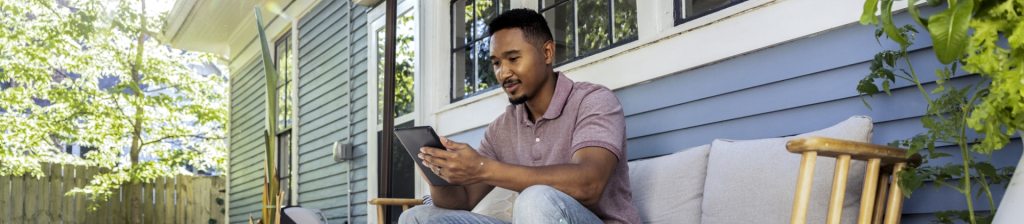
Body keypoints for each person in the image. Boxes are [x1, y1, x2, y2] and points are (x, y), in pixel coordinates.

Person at [398, 8, 639, 224]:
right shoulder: (502, 128)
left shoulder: (593, 101)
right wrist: (436, 173)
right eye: (496, 63)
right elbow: (464, 200)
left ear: (547, 53)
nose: (503, 73)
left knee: (535, 197)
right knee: (416, 217)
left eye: (513, 59)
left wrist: (482, 167)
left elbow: (589, 183)